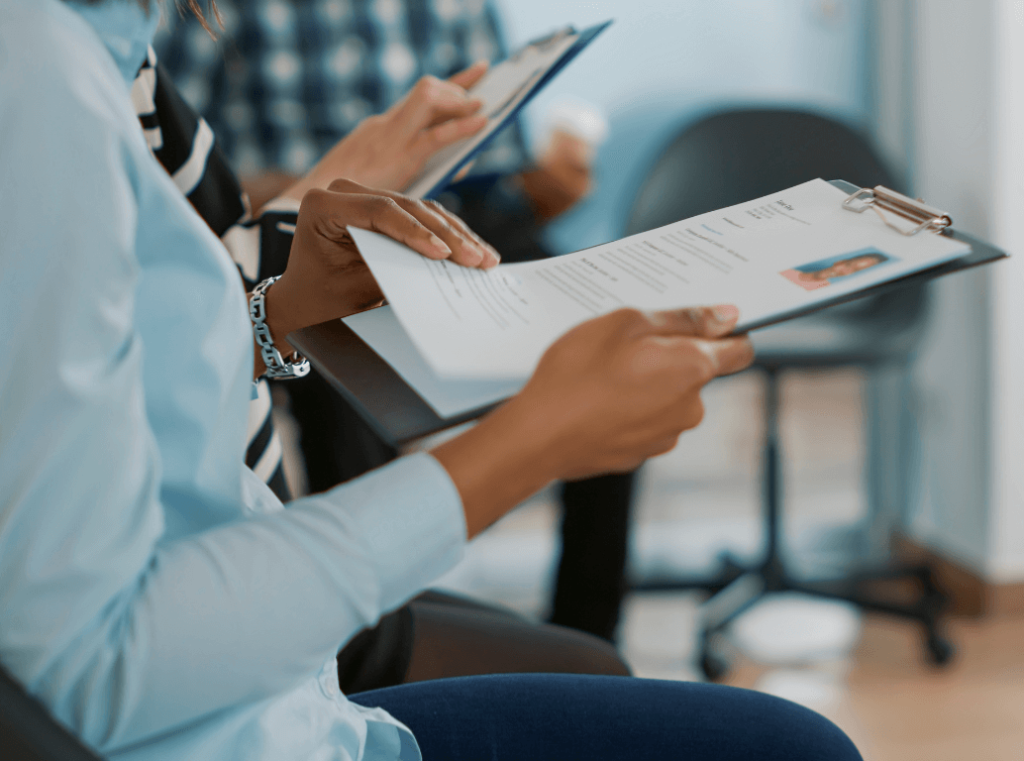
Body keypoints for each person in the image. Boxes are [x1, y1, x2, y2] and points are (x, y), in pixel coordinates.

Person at [0, 1, 865, 760]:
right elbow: (95, 670)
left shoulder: (94, 49)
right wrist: (524, 446)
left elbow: (129, 363)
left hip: (283, 696)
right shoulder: (41, 77)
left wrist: (278, 306)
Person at [131, 42, 630, 690]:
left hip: (252, 526)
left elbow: (191, 323)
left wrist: (534, 178)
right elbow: (161, 348)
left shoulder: (124, 57)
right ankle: (385, 601)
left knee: (600, 332)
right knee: (599, 680)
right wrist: (323, 184)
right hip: (226, 581)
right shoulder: (82, 72)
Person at [782, 252, 888, 291]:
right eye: (849, 265)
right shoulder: (788, 271)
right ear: (840, 262)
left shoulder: (822, 291)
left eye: (855, 270)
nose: (845, 271)